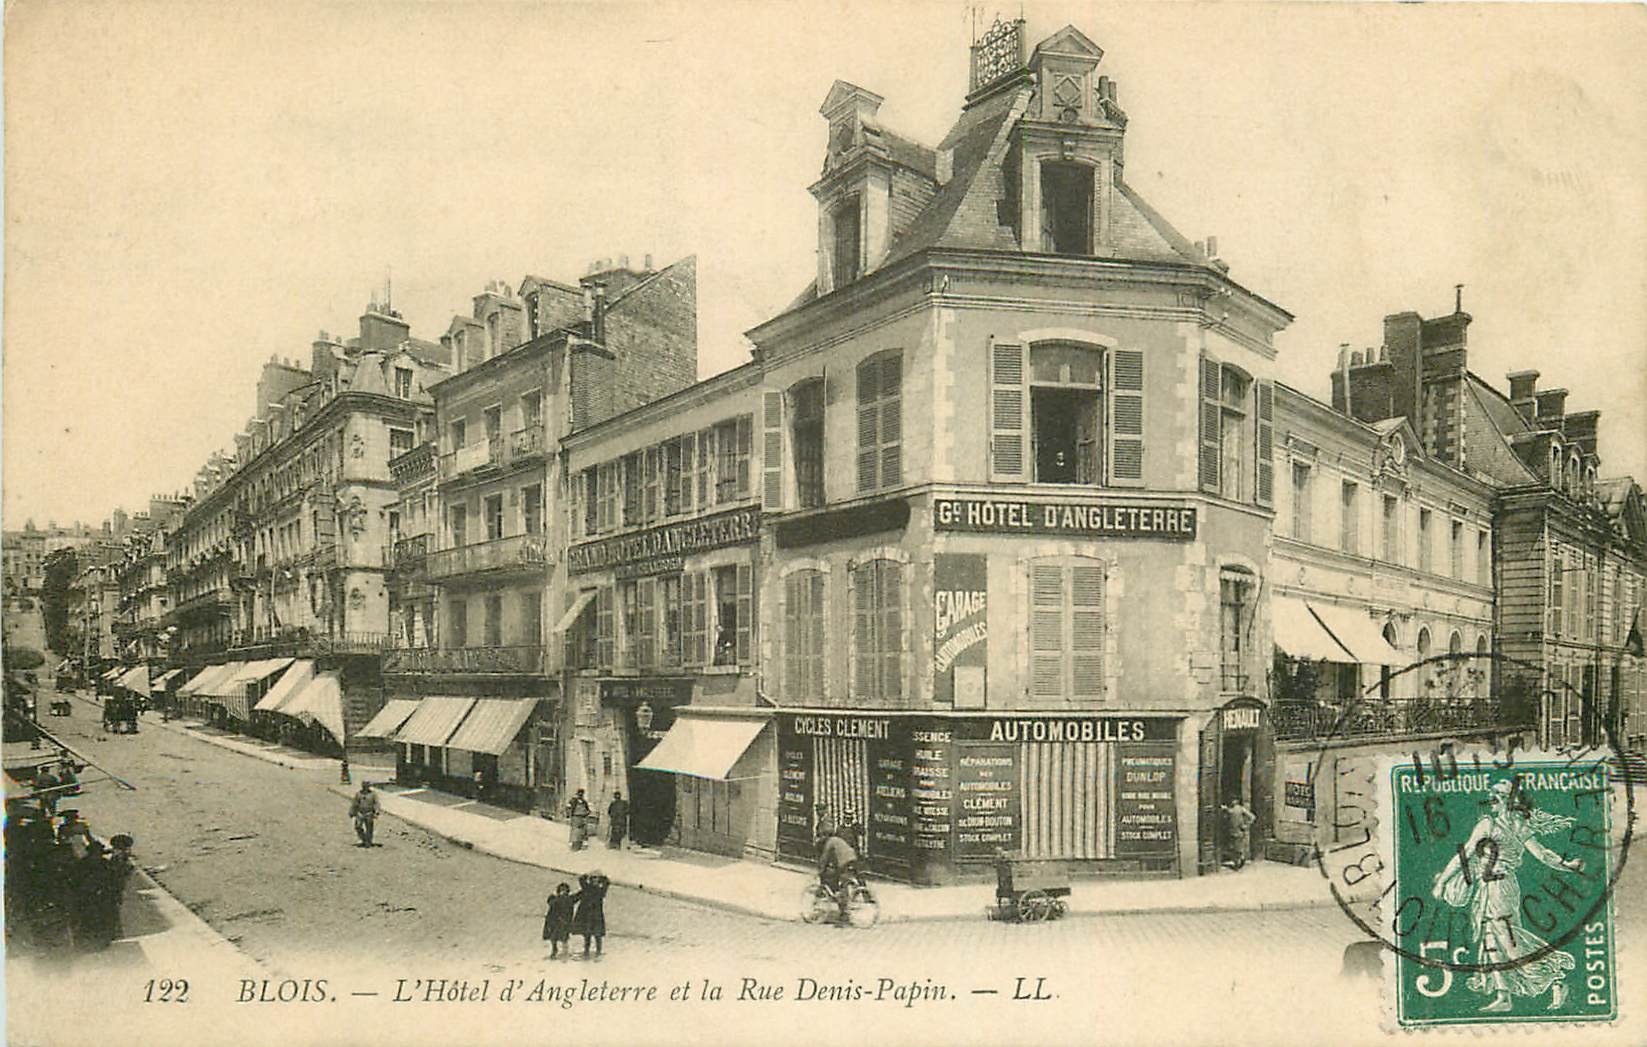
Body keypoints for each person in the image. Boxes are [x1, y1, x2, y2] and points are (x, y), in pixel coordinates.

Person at [1433, 780, 1583, 1013]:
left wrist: (1568, 865)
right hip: (1487, 887)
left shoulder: (1513, 826)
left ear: (1507, 800)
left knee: (1507, 939)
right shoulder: (1489, 824)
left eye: (1496, 794)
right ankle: (1504, 996)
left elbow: (1542, 854)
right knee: (1490, 939)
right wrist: (1443, 881)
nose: (1491, 798)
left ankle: (1555, 976)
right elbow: (1466, 855)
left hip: (1501, 888)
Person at [817, 827, 859, 924]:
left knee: (842, 885)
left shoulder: (830, 842)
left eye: (822, 835)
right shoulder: (837, 840)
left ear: (826, 835)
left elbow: (824, 857)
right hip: (852, 859)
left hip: (845, 862)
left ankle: (845, 914)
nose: (821, 838)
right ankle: (843, 909)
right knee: (843, 881)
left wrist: (821, 870)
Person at [574, 872, 609, 958]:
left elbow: (607, 883)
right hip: (588, 915)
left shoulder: (600, 890)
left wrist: (602, 877)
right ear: (590, 880)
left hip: (596, 915)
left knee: (597, 935)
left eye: (596, 879)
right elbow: (581, 880)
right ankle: (587, 950)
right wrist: (588, 875)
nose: (594, 880)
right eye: (593, 878)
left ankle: (598, 950)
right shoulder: (587, 888)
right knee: (587, 934)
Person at [542, 881, 579, 960]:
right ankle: (554, 950)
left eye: (565, 889)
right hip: (554, 921)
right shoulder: (554, 898)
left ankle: (565, 951)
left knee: (564, 937)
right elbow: (550, 903)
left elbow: (579, 895)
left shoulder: (570, 898)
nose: (563, 891)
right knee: (553, 937)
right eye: (562, 889)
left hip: (564, 921)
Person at [1223, 799, 1255, 870]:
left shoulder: (1233, 810)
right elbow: (1252, 817)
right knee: (1238, 847)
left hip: (1234, 831)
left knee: (1235, 848)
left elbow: (1252, 817)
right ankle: (1241, 858)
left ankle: (1237, 863)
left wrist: (1246, 825)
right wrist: (1246, 825)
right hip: (1239, 831)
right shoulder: (1241, 809)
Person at [349, 783, 380, 847]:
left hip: (369, 813)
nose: (365, 787)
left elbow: (376, 803)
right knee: (358, 826)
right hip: (360, 813)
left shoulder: (373, 794)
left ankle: (368, 841)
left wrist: (376, 811)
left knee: (369, 828)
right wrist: (352, 811)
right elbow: (355, 803)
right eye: (364, 785)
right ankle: (363, 838)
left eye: (366, 785)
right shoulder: (358, 794)